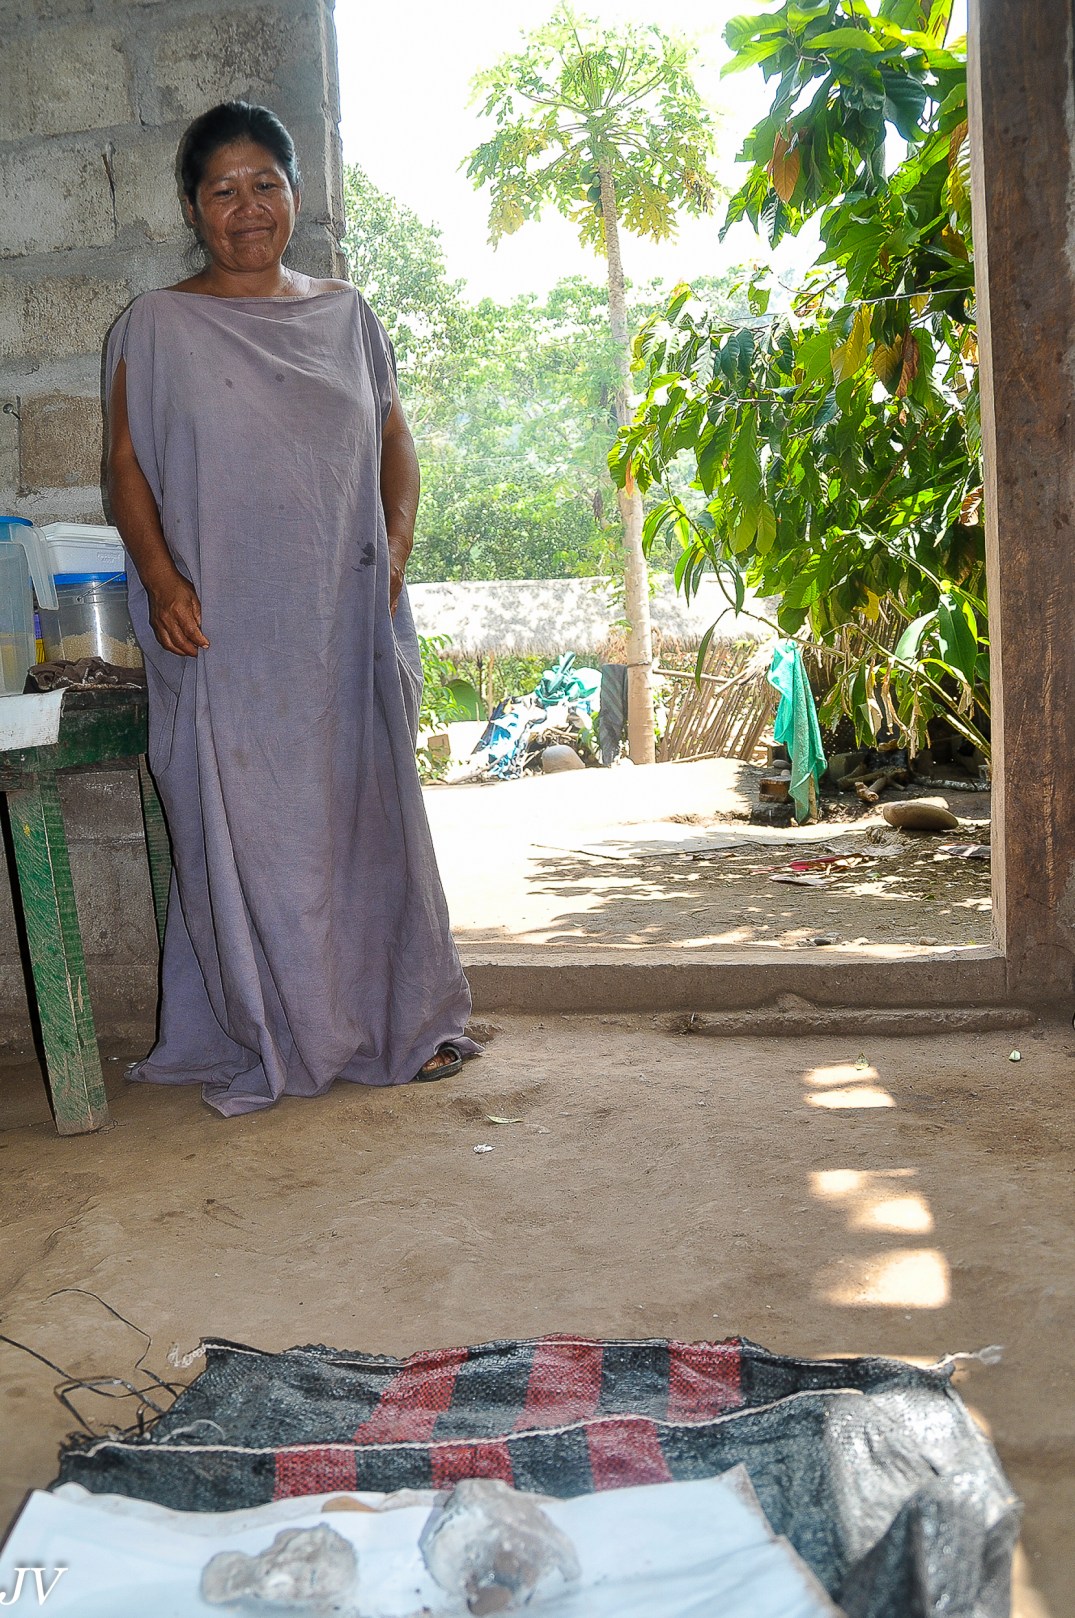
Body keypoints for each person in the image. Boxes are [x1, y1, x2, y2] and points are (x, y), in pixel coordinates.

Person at [105, 101, 479, 1116]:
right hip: (225, 630)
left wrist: (395, 546)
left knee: (365, 825)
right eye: (222, 190)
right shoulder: (156, 324)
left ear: (296, 195)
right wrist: (164, 582)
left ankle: (395, 1020)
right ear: (193, 208)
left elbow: (394, 439)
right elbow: (125, 467)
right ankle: (281, 1027)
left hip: (343, 619)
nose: (247, 207)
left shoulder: (347, 315)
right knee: (250, 830)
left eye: (264, 184)